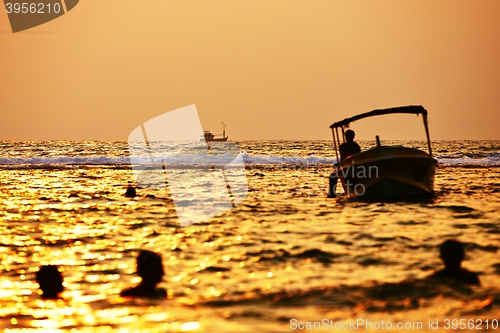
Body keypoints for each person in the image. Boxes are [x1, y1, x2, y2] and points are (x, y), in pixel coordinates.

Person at [328, 129, 361, 197]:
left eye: (349, 136)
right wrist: (338, 164)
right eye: (346, 136)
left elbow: (358, 157)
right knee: (332, 176)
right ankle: (331, 193)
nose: (347, 137)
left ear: (352, 137)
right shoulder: (343, 146)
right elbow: (342, 158)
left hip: (354, 167)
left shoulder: (356, 146)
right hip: (344, 167)